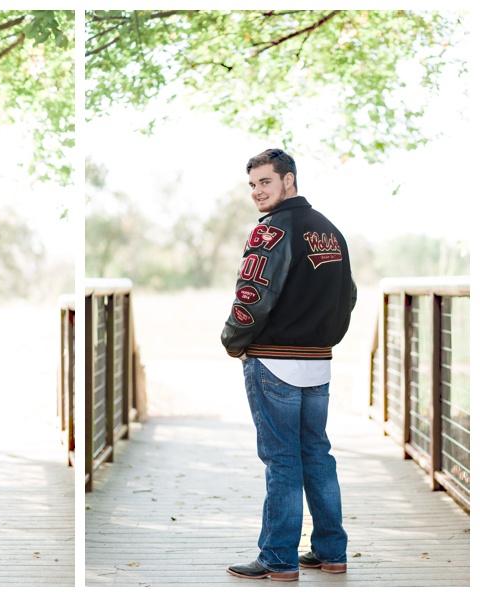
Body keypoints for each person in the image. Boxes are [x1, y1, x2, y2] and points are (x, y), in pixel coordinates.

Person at [221, 149, 356, 582]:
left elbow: (252, 292)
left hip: (275, 362)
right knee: (317, 454)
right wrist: (324, 338)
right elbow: (348, 295)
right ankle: (331, 552)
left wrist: (234, 342)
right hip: (317, 364)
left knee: (282, 460)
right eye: (253, 185)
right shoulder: (330, 231)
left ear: (289, 181)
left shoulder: (272, 231)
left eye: (265, 182)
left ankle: (278, 559)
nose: (257, 192)